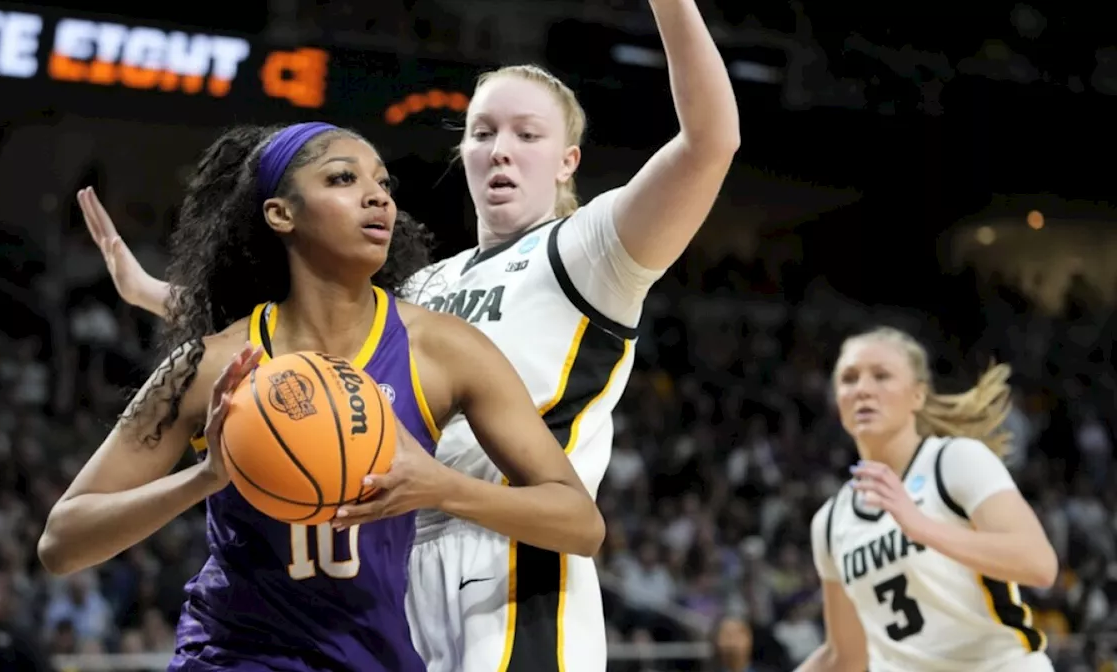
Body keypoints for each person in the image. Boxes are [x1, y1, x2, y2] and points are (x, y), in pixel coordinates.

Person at [77, 3, 737, 669]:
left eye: (527, 134)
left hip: (514, 555)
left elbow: (710, 142)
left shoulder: (591, 248)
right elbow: (305, 334)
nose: (500, 147)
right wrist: (156, 295)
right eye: (481, 132)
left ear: (568, 161)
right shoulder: (424, 288)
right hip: (395, 562)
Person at [37, 122, 604, 672]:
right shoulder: (208, 365)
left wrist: (445, 487)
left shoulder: (442, 348)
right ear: (281, 214)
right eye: (342, 179)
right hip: (232, 656)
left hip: (375, 656)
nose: (377, 198)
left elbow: (580, 523)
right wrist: (205, 477)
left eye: (382, 184)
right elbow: (62, 541)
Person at [796, 326, 1058, 672]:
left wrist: (922, 527)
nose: (862, 390)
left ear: (917, 395)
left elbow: (1039, 565)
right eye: (849, 379)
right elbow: (846, 656)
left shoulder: (955, 461)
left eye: (881, 376)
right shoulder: (830, 523)